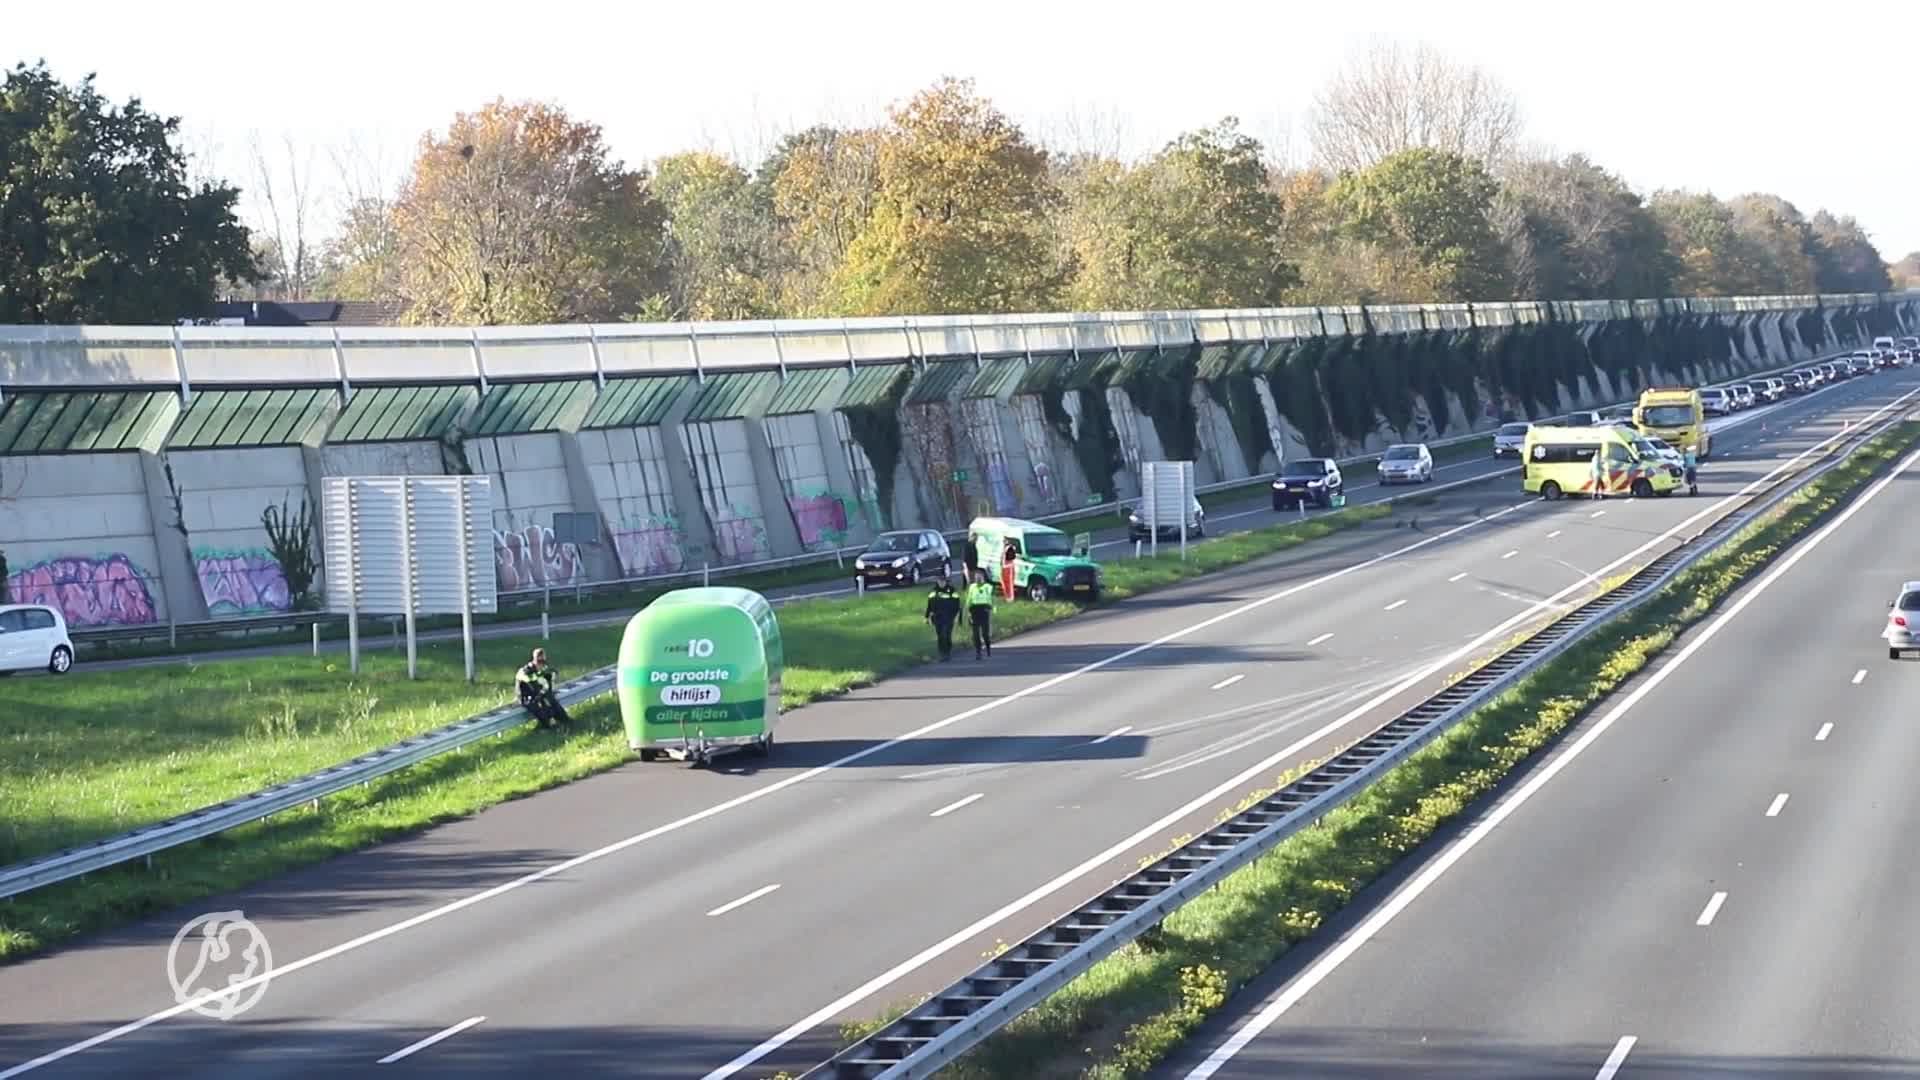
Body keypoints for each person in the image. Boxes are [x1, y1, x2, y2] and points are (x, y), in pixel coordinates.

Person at [516, 647, 571, 729]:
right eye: (539, 661)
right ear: (534, 660)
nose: (541, 664)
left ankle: (565, 720)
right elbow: (532, 684)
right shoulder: (525, 671)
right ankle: (548, 726)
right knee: (540, 709)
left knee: (553, 701)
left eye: (543, 661)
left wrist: (550, 677)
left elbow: (550, 678)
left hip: (537, 694)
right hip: (526, 697)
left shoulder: (542, 668)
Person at [926, 581, 962, 660]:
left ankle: (947, 652)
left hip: (949, 617)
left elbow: (958, 605)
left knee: (946, 635)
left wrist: (958, 617)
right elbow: (929, 606)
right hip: (937, 618)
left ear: (946, 582)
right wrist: (927, 617)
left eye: (943, 581)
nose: (941, 583)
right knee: (940, 636)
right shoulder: (933, 592)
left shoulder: (952, 591)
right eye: (940, 581)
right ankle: (942, 653)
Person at [966, 571, 996, 660]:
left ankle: (987, 648)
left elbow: (992, 598)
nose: (978, 579)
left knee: (985, 634)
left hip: (984, 610)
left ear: (983, 578)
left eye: (979, 577)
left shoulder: (988, 587)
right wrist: (968, 611)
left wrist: (993, 609)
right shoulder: (972, 587)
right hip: (974, 610)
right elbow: (969, 599)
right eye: (976, 577)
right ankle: (978, 652)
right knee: (975, 634)